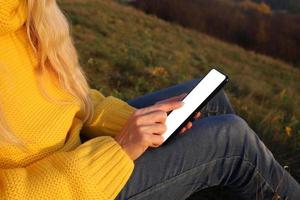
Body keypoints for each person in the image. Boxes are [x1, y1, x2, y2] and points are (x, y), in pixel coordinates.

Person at [0, 0, 299, 200]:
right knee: (232, 142)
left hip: (83, 152)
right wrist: (119, 150)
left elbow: (65, 96)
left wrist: (144, 124)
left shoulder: (25, 11)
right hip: (77, 186)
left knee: (207, 100)